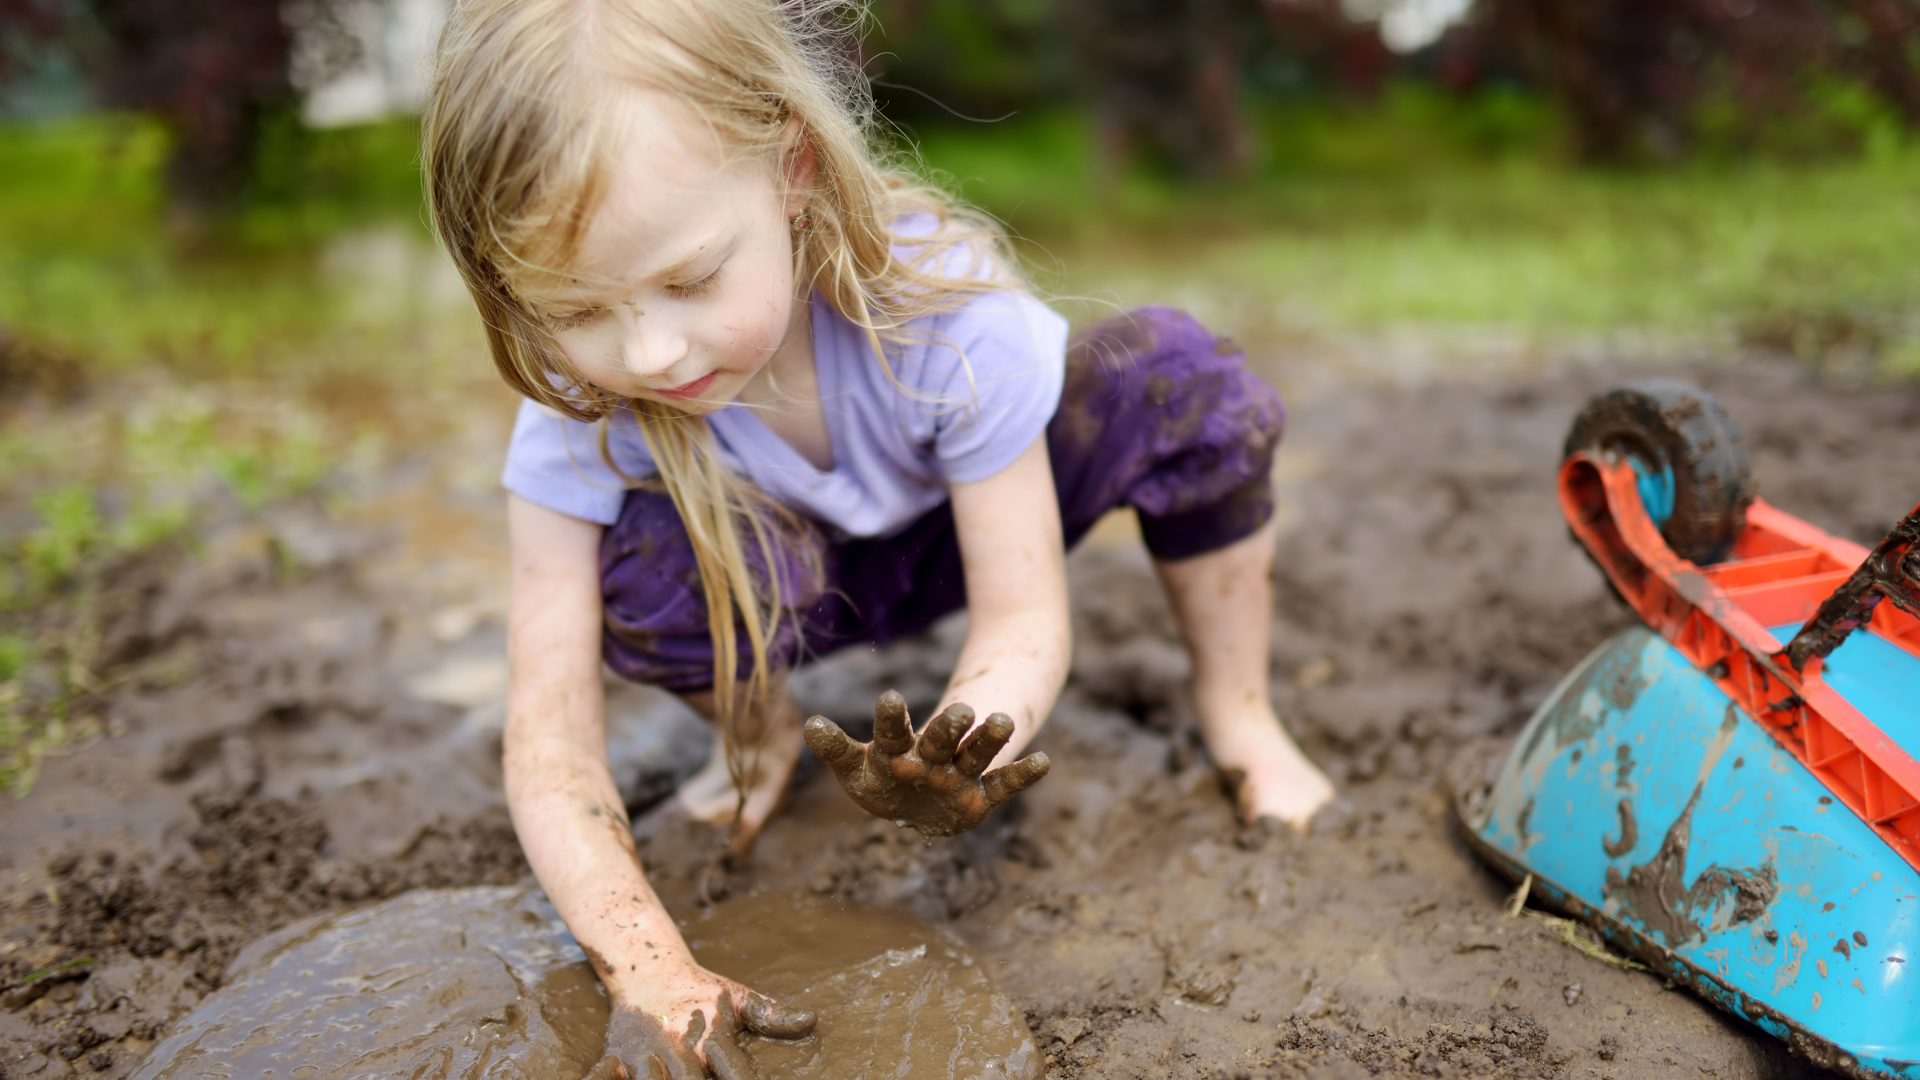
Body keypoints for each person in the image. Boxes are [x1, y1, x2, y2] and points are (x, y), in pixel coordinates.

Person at [422, 0, 1335, 1075]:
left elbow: (1025, 617)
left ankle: (1239, 714)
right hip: (783, 580)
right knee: (641, 570)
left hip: (980, 519)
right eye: (577, 311)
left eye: (692, 279)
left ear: (792, 169)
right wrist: (651, 969)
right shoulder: (584, 412)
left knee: (1189, 382)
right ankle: (762, 743)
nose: (654, 350)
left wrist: (967, 731)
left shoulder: (942, 309)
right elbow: (551, 744)